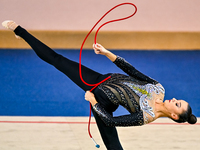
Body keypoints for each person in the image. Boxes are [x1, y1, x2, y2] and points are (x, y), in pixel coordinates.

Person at [2, 20, 197, 150]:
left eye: (178, 104)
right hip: (99, 79)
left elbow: (111, 121)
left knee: (113, 145)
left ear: (174, 115)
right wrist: (106, 53)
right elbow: (131, 70)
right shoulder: (159, 89)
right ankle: (20, 31)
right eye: (179, 100)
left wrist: (94, 101)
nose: (175, 99)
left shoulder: (148, 116)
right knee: (57, 60)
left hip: (101, 101)